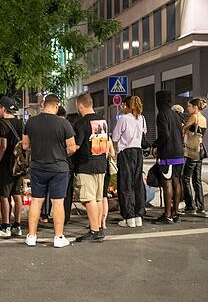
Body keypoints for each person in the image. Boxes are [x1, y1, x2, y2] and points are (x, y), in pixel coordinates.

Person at [22, 93, 76, 247]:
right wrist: (61, 153)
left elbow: (25, 145)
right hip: (58, 168)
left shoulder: (31, 122)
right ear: (57, 106)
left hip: (38, 167)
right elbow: (72, 148)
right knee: (58, 202)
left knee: (36, 201)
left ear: (43, 105)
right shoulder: (63, 123)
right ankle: (58, 238)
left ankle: (31, 236)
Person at [71, 93, 110, 242]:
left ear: (80, 106)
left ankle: (94, 230)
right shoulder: (102, 121)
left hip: (86, 165)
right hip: (101, 163)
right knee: (98, 198)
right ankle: (98, 228)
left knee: (89, 199)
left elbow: (76, 146)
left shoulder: (81, 124)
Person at [112, 95, 147, 228]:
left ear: (126, 106)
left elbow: (115, 137)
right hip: (138, 152)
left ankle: (129, 216)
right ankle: (139, 215)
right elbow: (144, 133)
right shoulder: (142, 118)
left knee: (126, 184)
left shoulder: (124, 119)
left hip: (126, 153)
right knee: (137, 183)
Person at [153, 90, 185, 224]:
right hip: (179, 152)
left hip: (168, 153)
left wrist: (156, 145)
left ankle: (167, 215)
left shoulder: (162, 115)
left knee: (167, 183)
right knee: (177, 181)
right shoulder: (175, 114)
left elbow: (164, 134)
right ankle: (176, 213)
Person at [0, 96, 24, 238]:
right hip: (18, 164)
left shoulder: (2, 124)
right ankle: (17, 225)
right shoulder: (20, 123)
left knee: (4, 195)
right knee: (17, 194)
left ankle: (6, 224)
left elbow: (3, 145)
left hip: (6, 164)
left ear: (3, 109)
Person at [182, 98, 208, 214]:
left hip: (192, 150)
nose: (188, 109)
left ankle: (190, 206)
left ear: (195, 107)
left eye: (189, 107)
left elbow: (183, 129)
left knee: (185, 178)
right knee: (197, 179)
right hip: (200, 149)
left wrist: (183, 126)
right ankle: (200, 206)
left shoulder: (194, 117)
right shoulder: (204, 119)